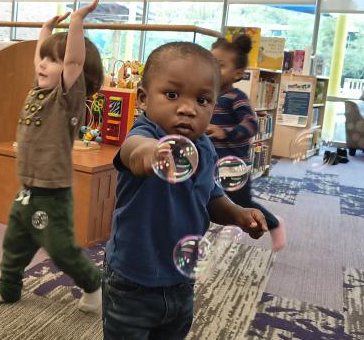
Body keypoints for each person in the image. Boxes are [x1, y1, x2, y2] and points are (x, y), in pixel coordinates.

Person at [102, 41, 268, 339]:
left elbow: (211, 197)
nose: (188, 109)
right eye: (172, 95)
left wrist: (239, 214)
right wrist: (154, 154)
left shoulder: (204, 146)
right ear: (143, 98)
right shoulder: (146, 133)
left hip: (182, 277)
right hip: (131, 281)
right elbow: (133, 152)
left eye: (202, 100)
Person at [0, 0, 103, 314]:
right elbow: (41, 59)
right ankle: (9, 288)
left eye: (52, 61)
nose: (42, 64)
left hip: (52, 195)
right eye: (43, 58)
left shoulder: (66, 97)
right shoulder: (40, 89)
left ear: (76, 74)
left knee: (60, 249)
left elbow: (73, 62)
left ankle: (94, 283)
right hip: (28, 191)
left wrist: (76, 22)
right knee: (14, 245)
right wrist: (45, 31)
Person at [206, 35, 287, 252]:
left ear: (238, 74)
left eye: (221, 66)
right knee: (207, 196)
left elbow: (252, 125)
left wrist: (225, 132)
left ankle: (273, 223)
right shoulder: (206, 94)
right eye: (211, 63)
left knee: (243, 203)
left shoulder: (236, 97)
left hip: (234, 166)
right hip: (210, 162)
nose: (213, 69)